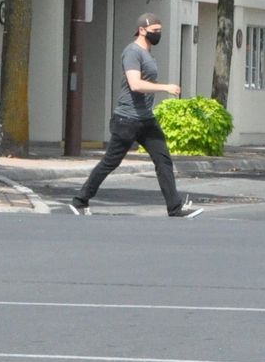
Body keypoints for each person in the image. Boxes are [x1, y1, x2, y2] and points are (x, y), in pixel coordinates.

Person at [72, 13, 203, 218]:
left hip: (146, 119)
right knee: (111, 162)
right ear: (142, 30)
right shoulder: (132, 52)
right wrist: (165, 87)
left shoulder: (148, 54)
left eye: (160, 31)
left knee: (163, 160)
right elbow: (135, 84)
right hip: (127, 119)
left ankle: (175, 208)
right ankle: (80, 200)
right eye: (154, 31)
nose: (157, 35)